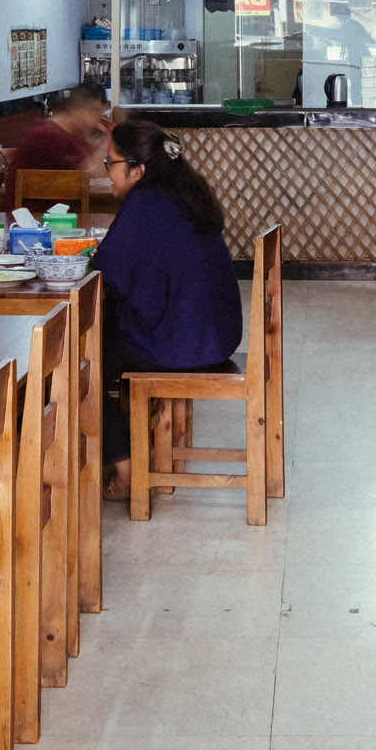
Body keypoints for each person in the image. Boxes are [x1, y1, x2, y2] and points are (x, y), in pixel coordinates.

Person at [92, 119, 243, 500]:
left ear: (137, 170)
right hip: (215, 335)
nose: (106, 171)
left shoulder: (144, 202)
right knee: (103, 344)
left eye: (110, 163)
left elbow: (106, 271)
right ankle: (138, 440)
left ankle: (126, 469)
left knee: (78, 362)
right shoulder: (185, 193)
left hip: (182, 343)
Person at [6, 83, 110, 213]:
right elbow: (93, 174)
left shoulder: (61, 133)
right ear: (77, 111)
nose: (96, 121)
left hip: (49, 217)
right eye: (95, 113)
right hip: (35, 220)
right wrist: (107, 139)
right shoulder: (50, 136)